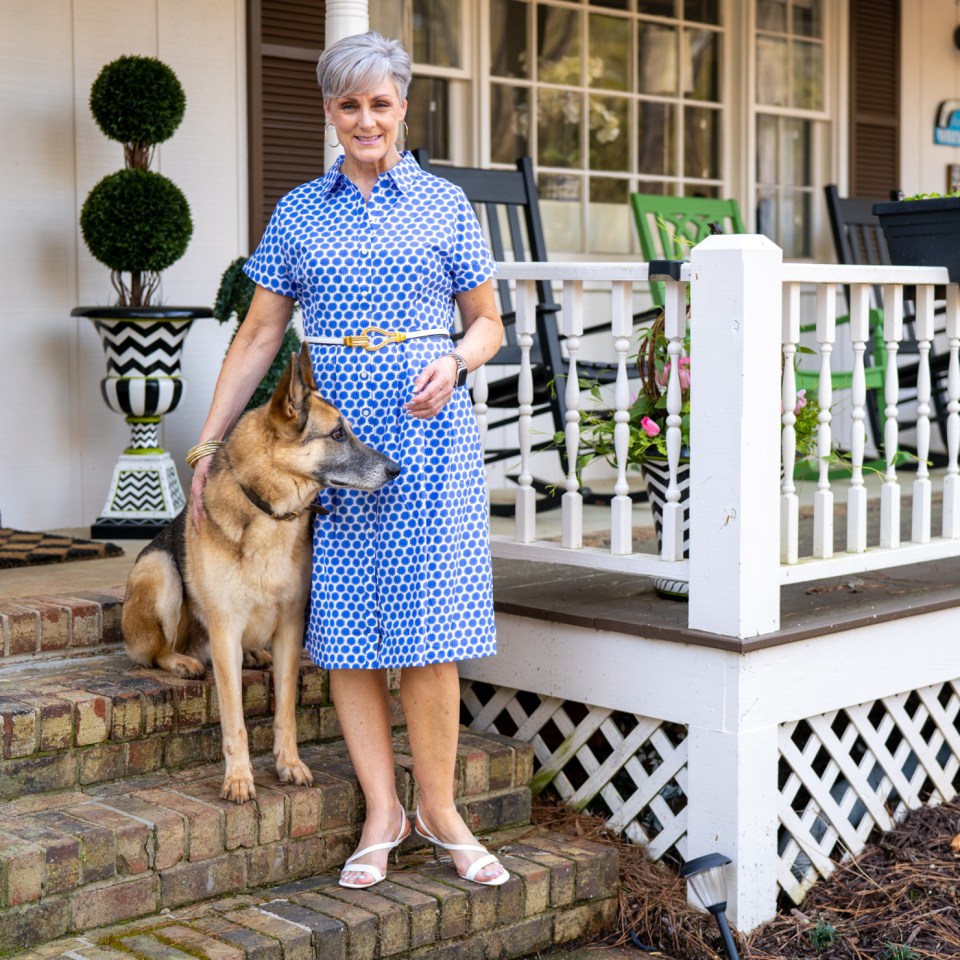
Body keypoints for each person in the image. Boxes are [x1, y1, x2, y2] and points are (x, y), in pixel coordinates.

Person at [187, 30, 507, 889]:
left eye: (380, 103)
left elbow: (488, 321)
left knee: (429, 637)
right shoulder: (299, 211)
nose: (366, 119)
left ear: (404, 107)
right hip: (327, 454)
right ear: (330, 112)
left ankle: (440, 811)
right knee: (348, 636)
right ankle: (382, 811)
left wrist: (457, 361)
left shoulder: (444, 204)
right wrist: (210, 442)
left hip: (427, 437)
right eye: (349, 104)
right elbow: (259, 335)